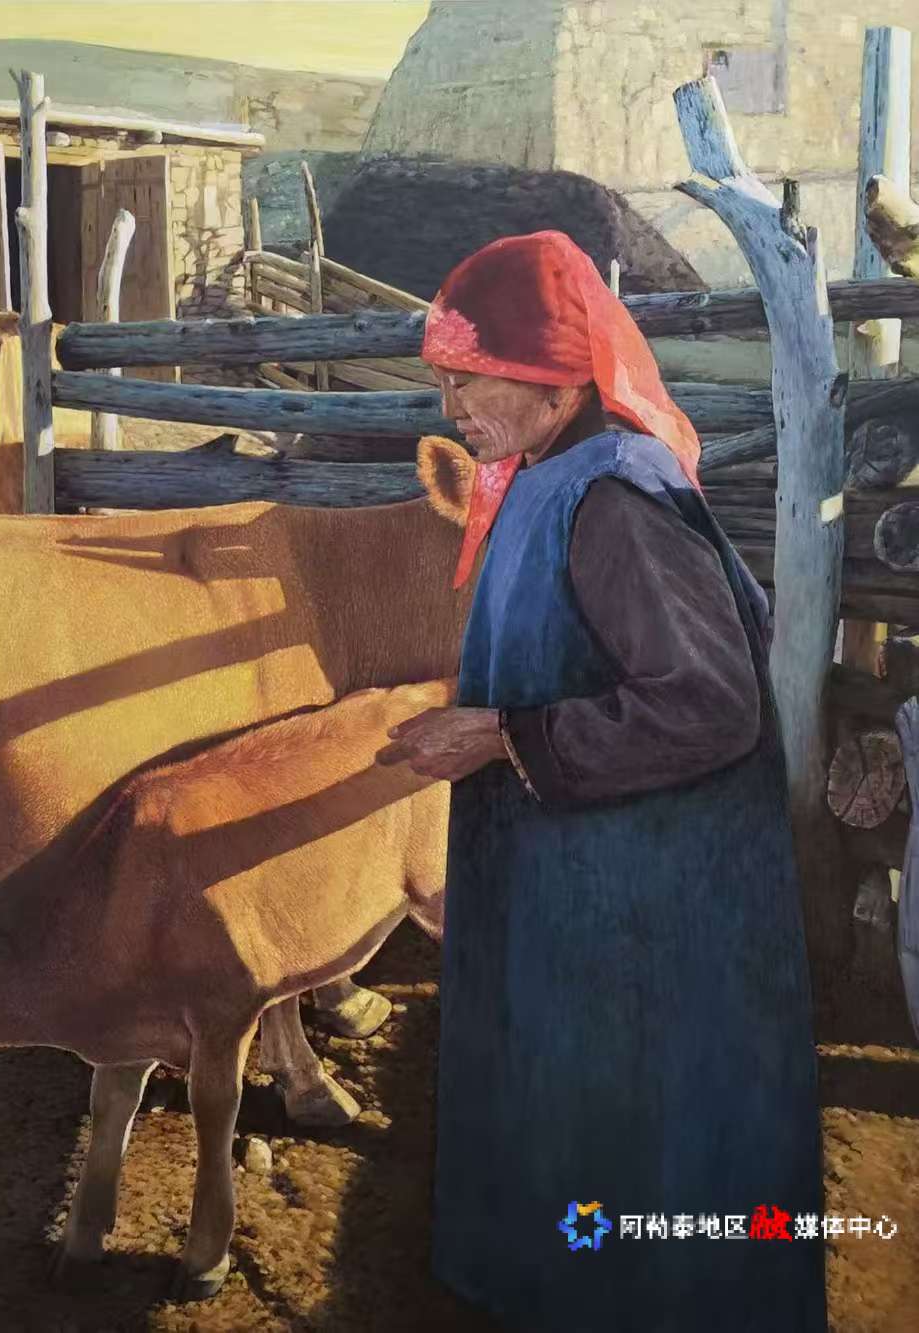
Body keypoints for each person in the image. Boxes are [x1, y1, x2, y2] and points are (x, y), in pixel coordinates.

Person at [376, 231, 827, 1332]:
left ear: (556, 377)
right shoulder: (542, 477)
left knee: (644, 1170)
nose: (449, 406)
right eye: (442, 380)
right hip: (575, 905)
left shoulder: (618, 498)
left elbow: (707, 707)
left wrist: (502, 737)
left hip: (644, 924)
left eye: (468, 377)